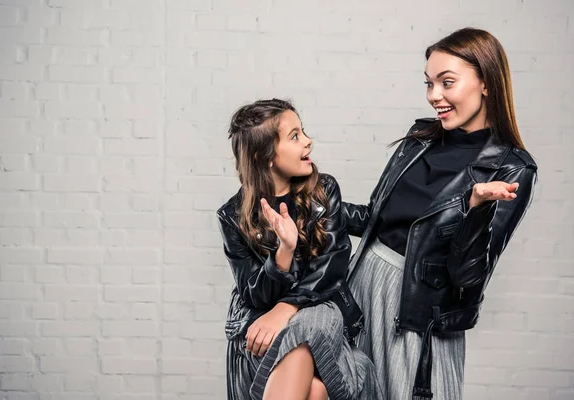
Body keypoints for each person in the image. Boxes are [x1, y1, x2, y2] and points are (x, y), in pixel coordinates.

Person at [343, 27, 538, 400]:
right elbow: (377, 220)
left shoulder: (511, 169)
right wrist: (318, 202)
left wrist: (475, 211)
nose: (435, 96)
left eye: (447, 82)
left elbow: (467, 279)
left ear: (486, 83)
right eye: (429, 83)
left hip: (417, 313)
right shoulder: (420, 138)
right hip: (363, 284)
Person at [217, 98, 376, 400]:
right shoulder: (232, 216)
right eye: (294, 136)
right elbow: (254, 295)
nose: (308, 141)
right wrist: (284, 251)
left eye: (303, 131)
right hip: (263, 329)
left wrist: (286, 308)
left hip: (318, 315)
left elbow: (330, 266)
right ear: (265, 156)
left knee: (306, 327)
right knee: (315, 392)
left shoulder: (323, 190)